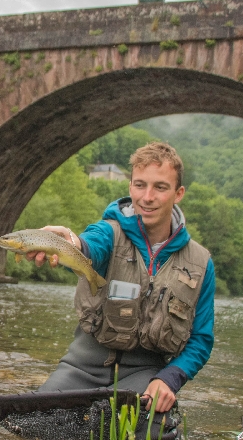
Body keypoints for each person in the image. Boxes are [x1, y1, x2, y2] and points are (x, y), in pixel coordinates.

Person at [27, 142, 215, 413]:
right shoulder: (107, 233)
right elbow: (88, 246)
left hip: (143, 375)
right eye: (140, 185)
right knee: (36, 422)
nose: (147, 197)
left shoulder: (201, 263)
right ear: (130, 187)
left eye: (160, 187)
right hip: (81, 367)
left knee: (147, 439)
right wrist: (71, 243)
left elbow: (201, 339)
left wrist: (169, 379)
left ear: (178, 193)